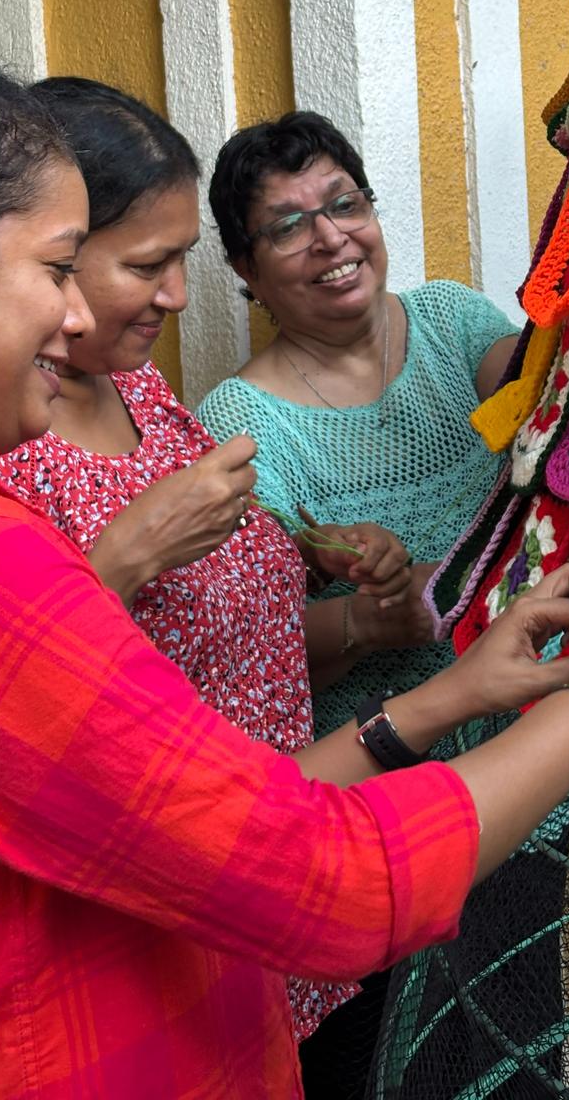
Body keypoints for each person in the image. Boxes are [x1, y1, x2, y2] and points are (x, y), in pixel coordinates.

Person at [0, 44, 569, 1099]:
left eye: (345, 204)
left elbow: (206, 804)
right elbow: (329, 879)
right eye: (58, 268)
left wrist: (443, 691)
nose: (81, 316)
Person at [0, 77, 419, 1041]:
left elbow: (233, 654)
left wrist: (343, 599)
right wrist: (127, 557)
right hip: (180, 927)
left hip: (300, 891)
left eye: (182, 261)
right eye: (148, 264)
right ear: (49, 255)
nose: (179, 298)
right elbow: (14, 718)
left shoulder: (146, 396)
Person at [198, 111, 519, 743]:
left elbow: (557, 404)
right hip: (386, 758)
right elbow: (249, 642)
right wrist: (375, 619)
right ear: (246, 269)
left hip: (545, 706)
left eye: (345, 205)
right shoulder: (241, 421)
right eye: (289, 226)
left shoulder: (452, 321)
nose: (330, 238)